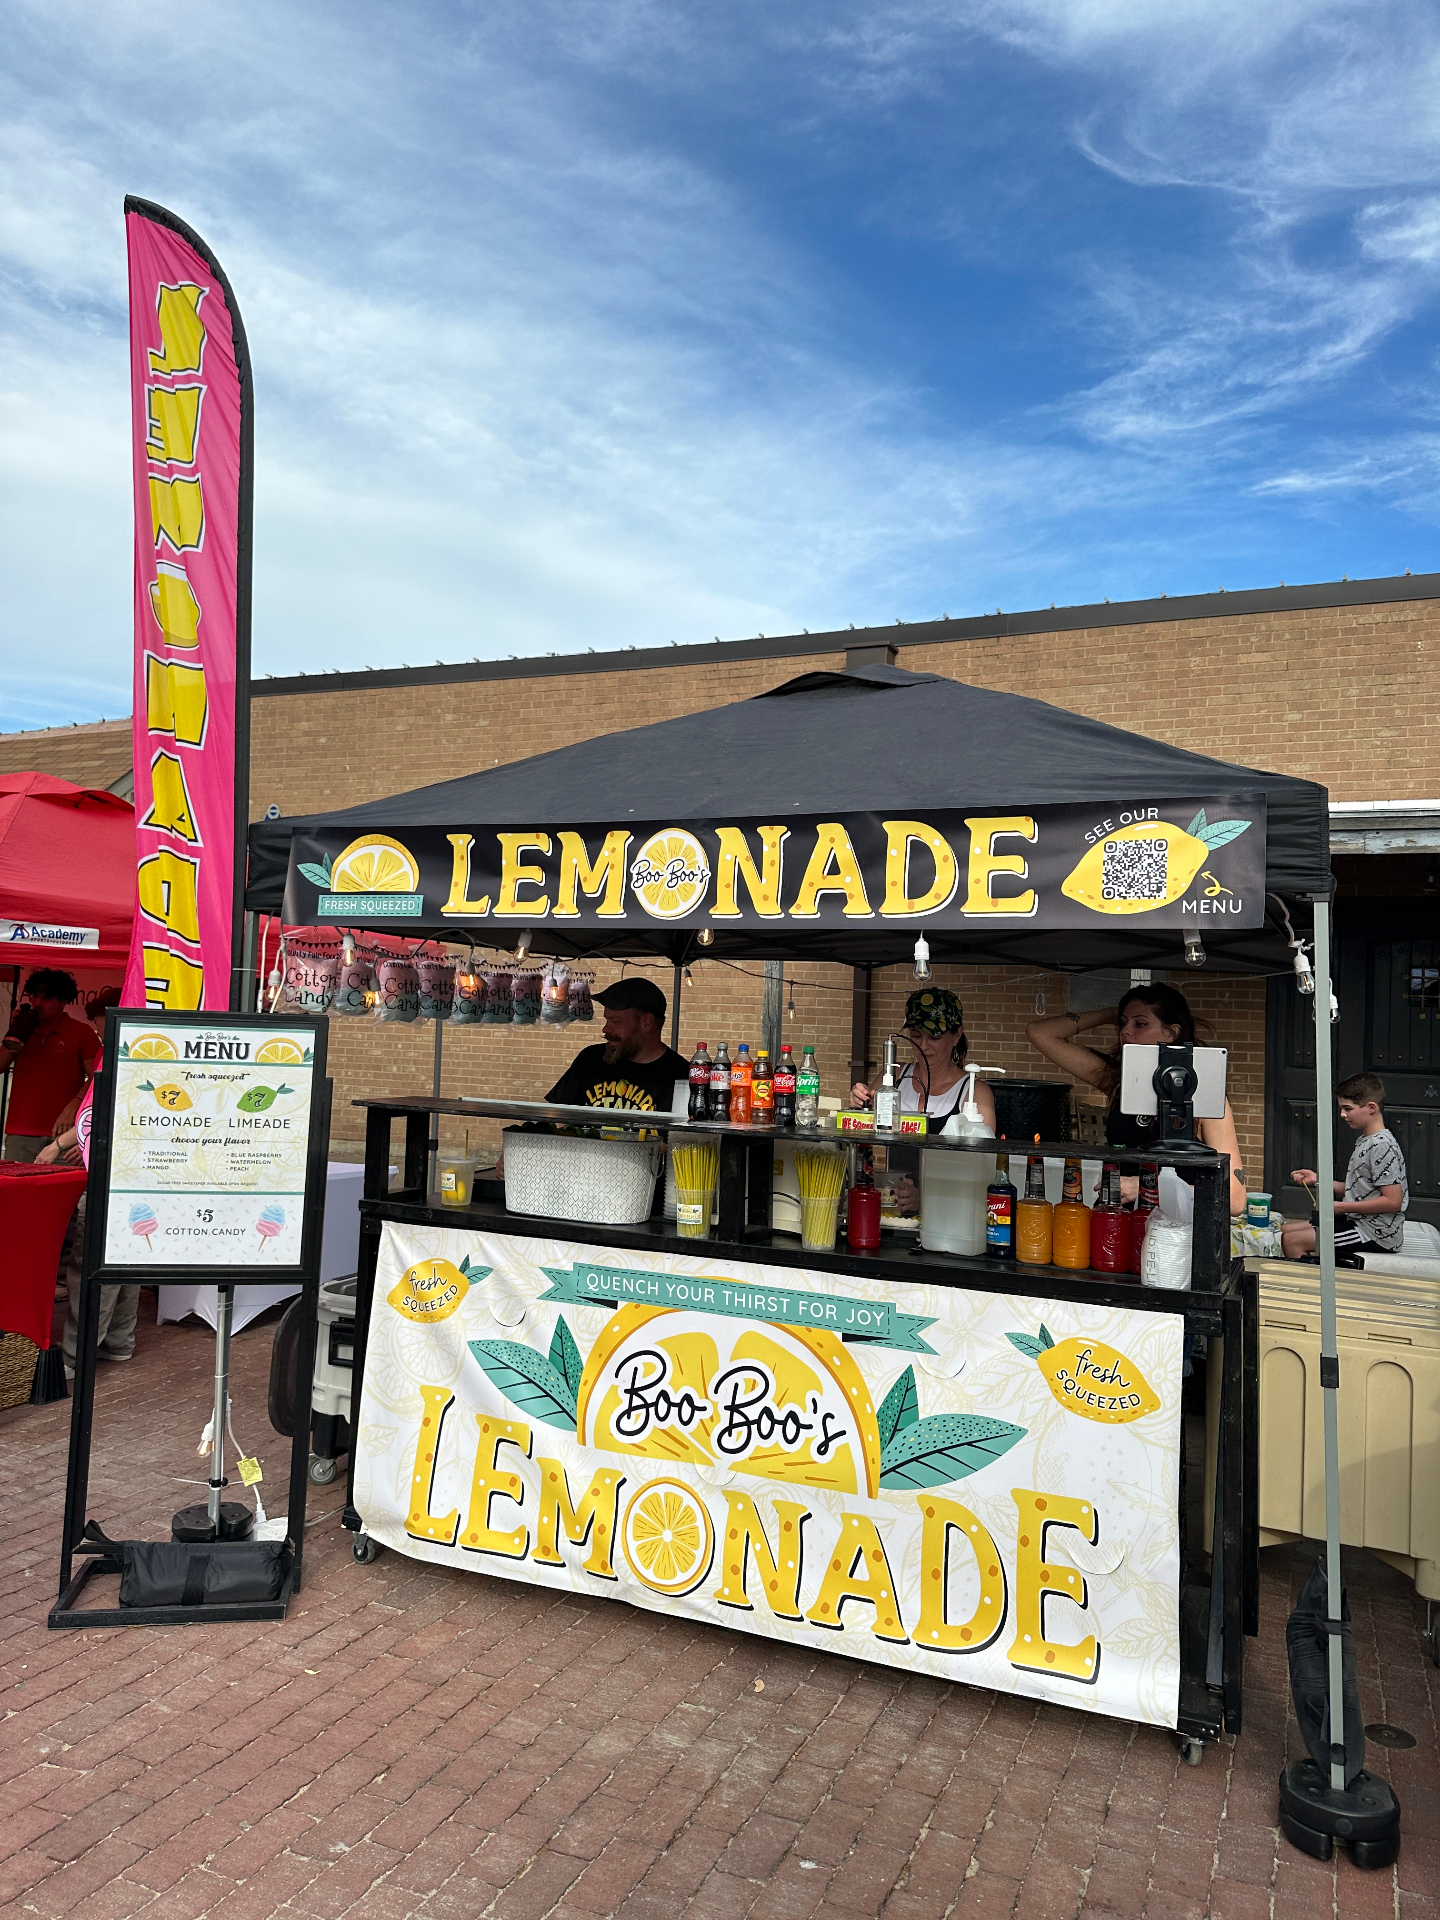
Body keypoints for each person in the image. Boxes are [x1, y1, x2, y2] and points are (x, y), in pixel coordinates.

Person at [1025, 982, 1247, 1215]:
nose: (1125, 1031)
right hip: (1117, 1222)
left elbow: (1234, 1199)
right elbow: (1040, 1033)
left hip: (1174, 1231)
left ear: (1171, 1032)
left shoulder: (1204, 1097)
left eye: (1140, 1024)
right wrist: (1109, 1013)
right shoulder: (1119, 1079)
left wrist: (1146, 1187)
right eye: (1122, 1023)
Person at [851, 988, 996, 1212]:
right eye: (916, 1036)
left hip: (948, 1217)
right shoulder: (894, 1078)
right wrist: (858, 1101)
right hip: (893, 1211)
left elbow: (981, 1172)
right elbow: (863, 1127)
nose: (924, 1046)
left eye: (934, 1037)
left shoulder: (974, 1092)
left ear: (957, 1035)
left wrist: (924, 1198)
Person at [1282, 1072, 1408, 1261]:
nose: (1342, 1114)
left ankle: (1309, 1287)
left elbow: (1393, 1201)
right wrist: (1319, 1180)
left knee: (1293, 1240)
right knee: (1285, 1229)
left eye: (1348, 1108)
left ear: (1371, 1107)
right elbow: (1359, 1190)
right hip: (1358, 1222)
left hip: (1376, 1233)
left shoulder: (1381, 1145)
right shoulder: (1366, 1140)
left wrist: (1340, 1207)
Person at [545, 978, 690, 1112]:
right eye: (607, 1020)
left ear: (646, 1023)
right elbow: (557, 1118)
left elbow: (674, 1139)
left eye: (615, 1021)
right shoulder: (590, 1059)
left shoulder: (681, 1077)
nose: (606, 1029)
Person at [1, 968, 100, 1162]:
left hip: (62, 1134)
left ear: (63, 1002)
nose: (38, 1003)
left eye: (47, 998)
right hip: (20, 1132)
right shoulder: (23, 1028)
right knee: (18, 1191)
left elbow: (99, 1077)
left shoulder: (82, 1032)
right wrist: (15, 1033)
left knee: (61, 1192)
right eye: (34, 996)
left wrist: (75, 1105)